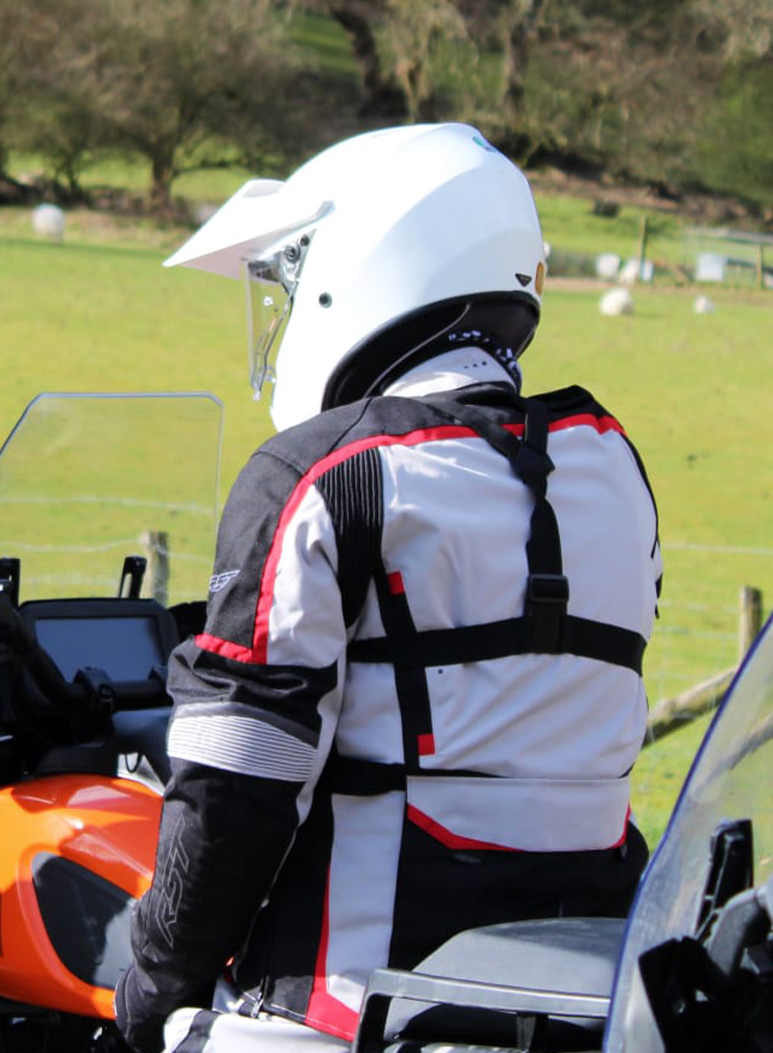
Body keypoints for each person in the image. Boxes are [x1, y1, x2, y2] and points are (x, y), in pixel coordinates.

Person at [113, 122, 662, 1053]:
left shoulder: (324, 473)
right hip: (578, 995)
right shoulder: (609, 466)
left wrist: (151, 981)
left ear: (363, 262)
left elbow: (234, 785)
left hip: (345, 1007)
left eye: (293, 280)